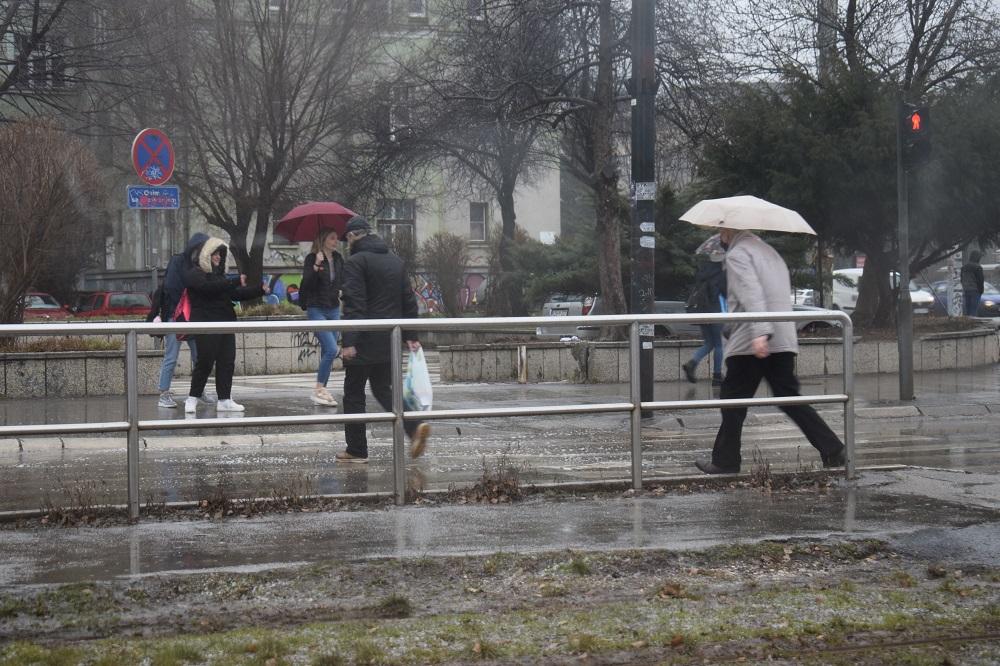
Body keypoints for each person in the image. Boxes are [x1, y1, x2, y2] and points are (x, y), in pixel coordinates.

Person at [695, 228, 846, 475]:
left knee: (733, 400)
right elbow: (769, 295)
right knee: (789, 398)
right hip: (782, 337)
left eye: (721, 230)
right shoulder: (770, 252)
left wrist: (760, 333)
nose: (720, 236)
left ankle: (725, 461)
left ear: (728, 231)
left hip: (752, 342)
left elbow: (751, 294)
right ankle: (832, 449)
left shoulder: (738, 254)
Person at [337, 216, 430, 462]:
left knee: (353, 393)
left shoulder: (356, 262)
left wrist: (348, 341)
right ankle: (414, 425)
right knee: (382, 388)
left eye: (347, 239)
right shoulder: (395, 261)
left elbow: (355, 303)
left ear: (352, 236)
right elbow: (408, 301)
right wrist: (411, 335)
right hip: (390, 338)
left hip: (365, 340)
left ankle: (356, 450)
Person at [182, 237, 267, 414]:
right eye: (215, 253)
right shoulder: (195, 273)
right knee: (205, 362)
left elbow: (235, 294)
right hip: (206, 323)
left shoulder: (221, 277)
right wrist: (234, 280)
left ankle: (225, 399)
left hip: (226, 323)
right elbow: (208, 288)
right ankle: (192, 398)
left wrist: (259, 290)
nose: (219, 257)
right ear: (206, 254)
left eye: (221, 253)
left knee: (226, 361)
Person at [151, 233, 207, 408]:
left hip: (191, 318)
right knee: (171, 357)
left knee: (200, 356)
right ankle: (164, 393)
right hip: (175, 317)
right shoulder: (179, 261)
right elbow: (173, 288)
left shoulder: (198, 265)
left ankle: (199, 390)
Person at [299, 228, 344, 407]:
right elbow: (306, 284)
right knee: (332, 349)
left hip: (333, 308)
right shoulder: (312, 258)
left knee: (328, 351)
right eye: (332, 238)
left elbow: (344, 280)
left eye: (337, 238)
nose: (336, 241)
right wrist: (317, 266)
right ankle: (319, 389)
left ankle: (321, 391)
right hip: (316, 308)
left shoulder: (339, 259)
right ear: (323, 240)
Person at [682, 253, 727, 386]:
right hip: (716, 312)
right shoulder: (721, 274)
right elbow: (726, 293)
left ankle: (692, 363)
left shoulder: (703, 272)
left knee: (709, 343)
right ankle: (717, 376)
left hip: (702, 312)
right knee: (719, 344)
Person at [960, 250, 984, 317]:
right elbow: (980, 280)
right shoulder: (978, 267)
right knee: (974, 309)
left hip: (966, 290)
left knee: (968, 308)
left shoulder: (963, 267)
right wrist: (981, 291)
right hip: (975, 290)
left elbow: (961, 279)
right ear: (977, 258)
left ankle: (968, 323)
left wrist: (964, 286)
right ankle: (973, 323)